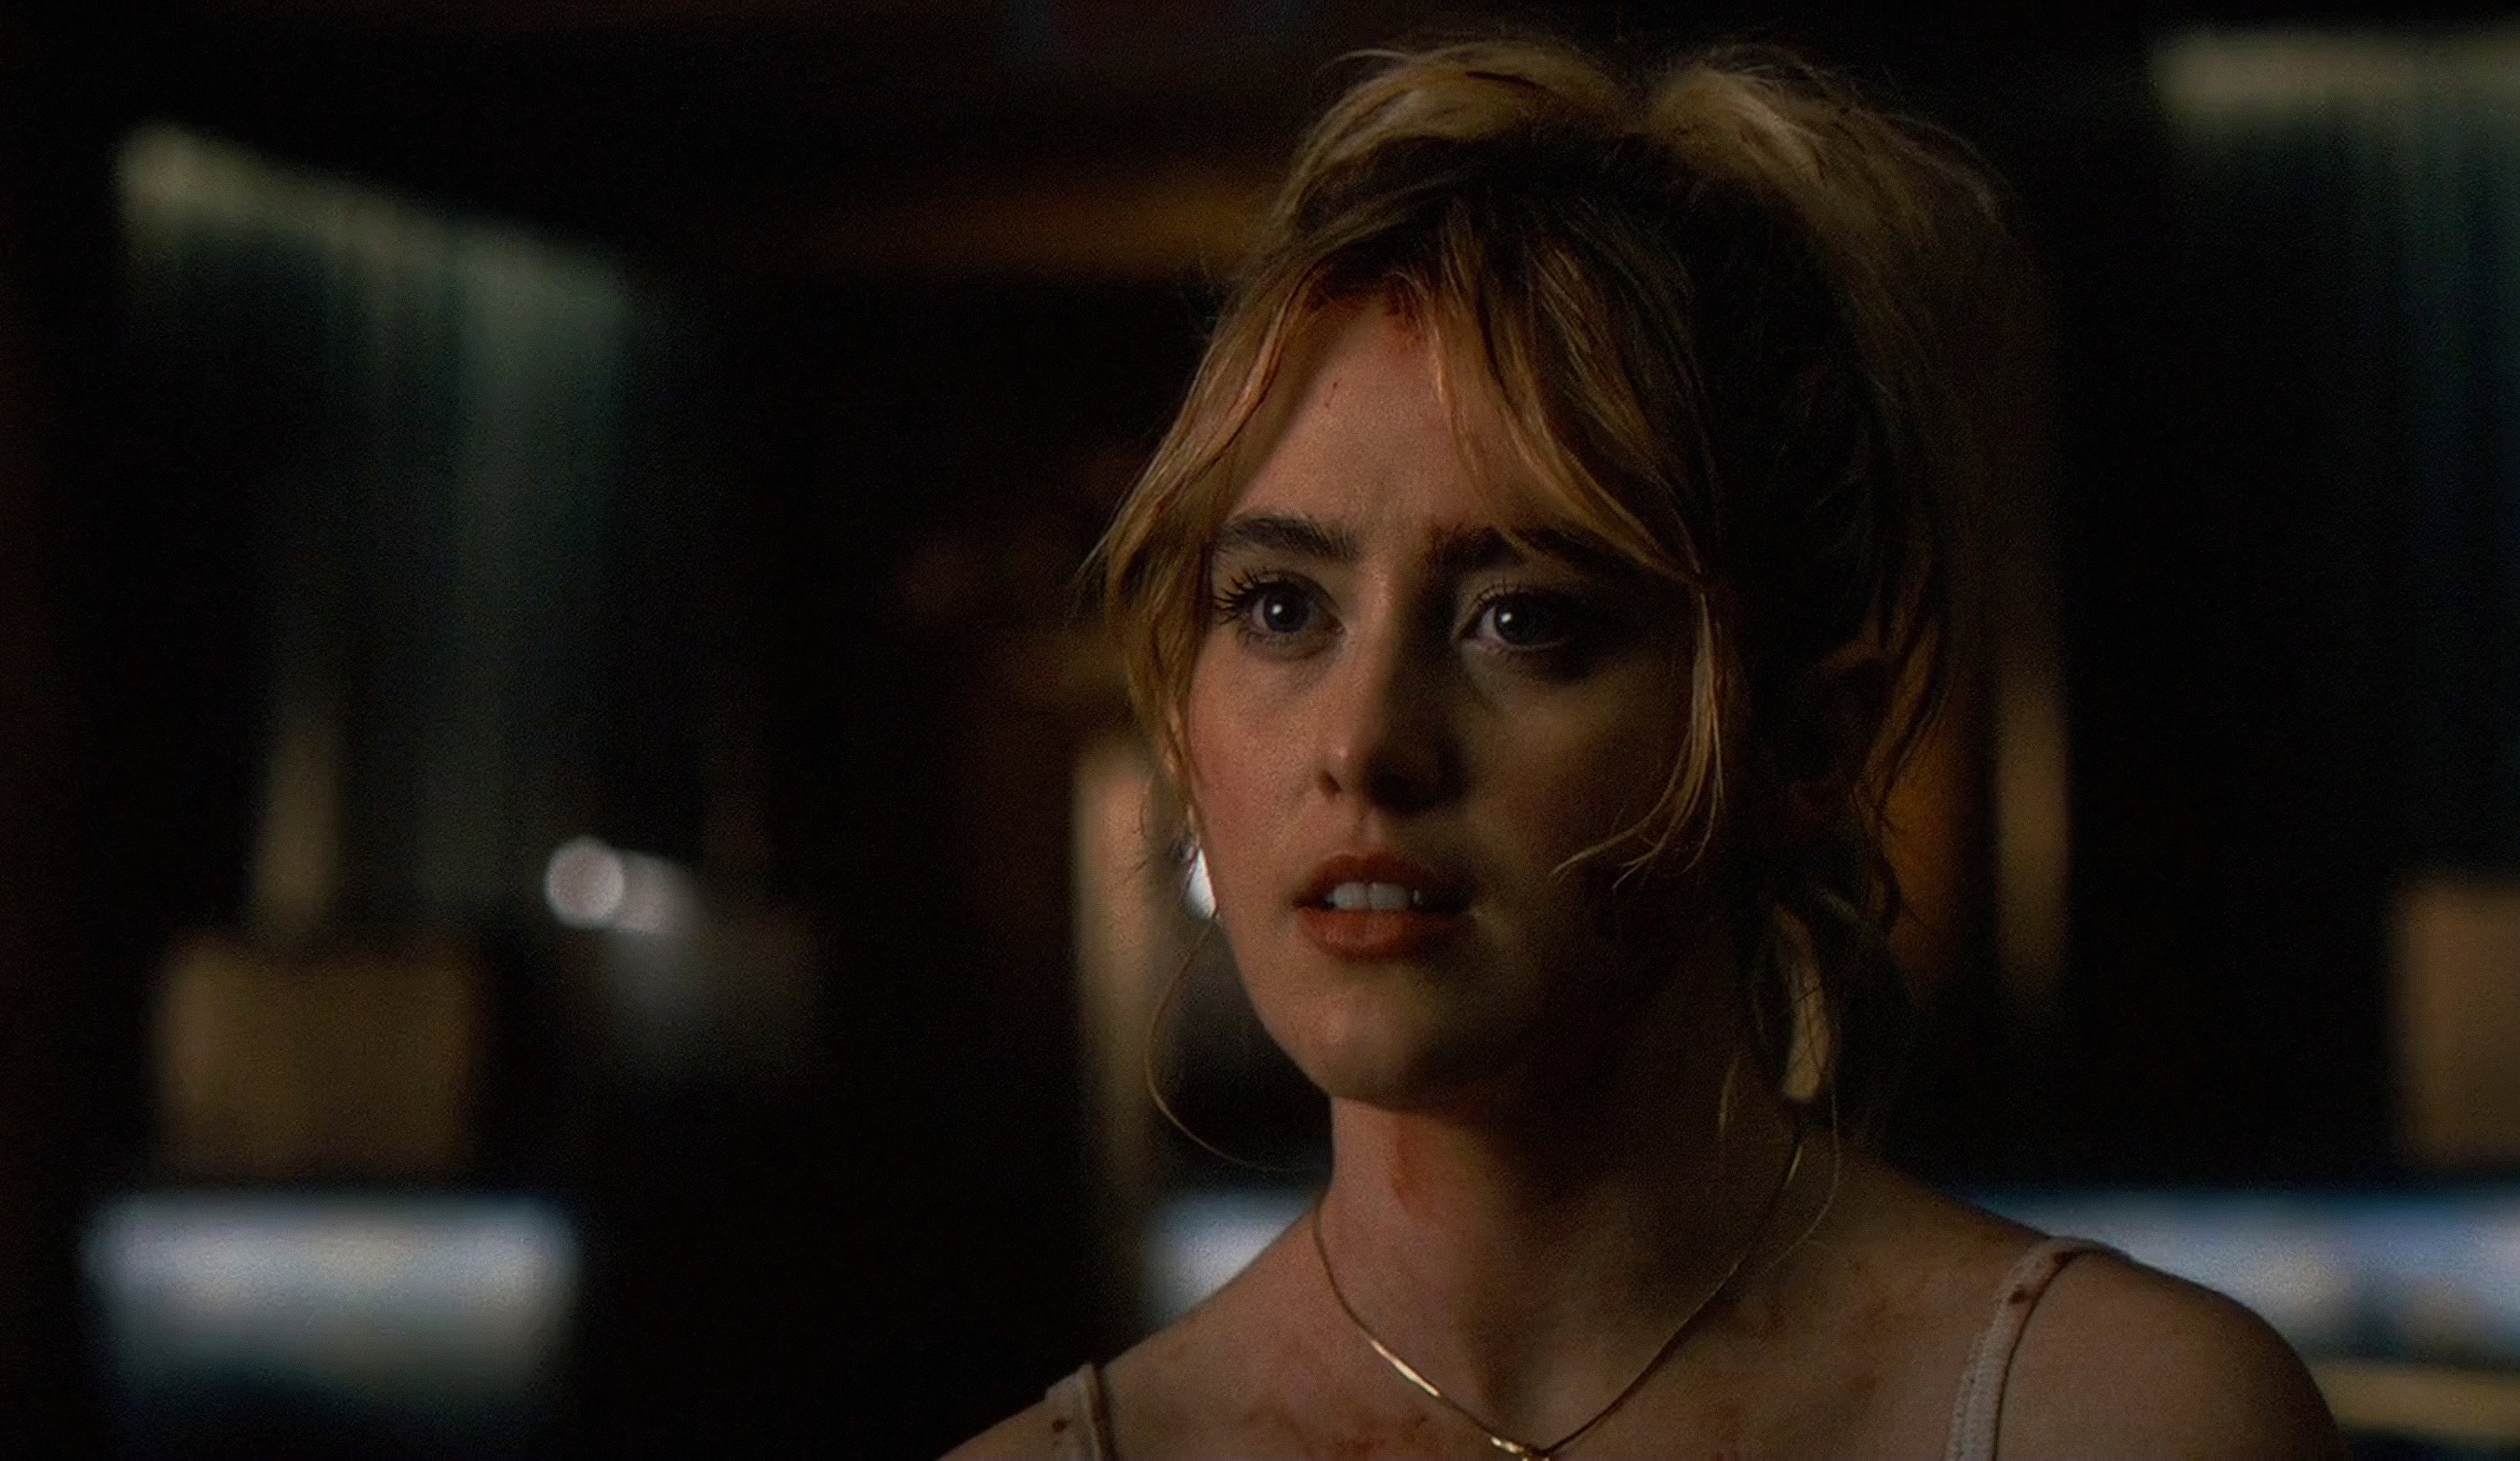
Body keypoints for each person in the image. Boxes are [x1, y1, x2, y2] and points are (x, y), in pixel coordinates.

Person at [951, 36, 2344, 1461]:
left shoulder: (2124, 1422)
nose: (1364, 744)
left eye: (1522, 619)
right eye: (1280, 607)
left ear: (1803, 740)